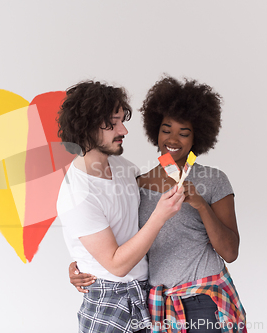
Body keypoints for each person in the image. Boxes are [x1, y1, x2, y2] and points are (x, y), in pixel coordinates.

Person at [70, 77, 246, 333]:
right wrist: (81, 267)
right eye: (166, 130)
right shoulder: (136, 182)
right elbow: (116, 239)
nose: (173, 139)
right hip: (156, 306)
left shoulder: (214, 180)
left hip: (204, 300)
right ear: (155, 131)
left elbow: (231, 252)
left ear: (197, 137)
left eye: (184, 133)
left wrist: (200, 205)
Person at [57, 80, 186, 333]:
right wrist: (160, 216)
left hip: (144, 294)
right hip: (108, 303)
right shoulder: (77, 193)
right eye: (113, 123)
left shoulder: (124, 167)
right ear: (86, 128)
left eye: (121, 121)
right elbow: (116, 265)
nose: (124, 130)